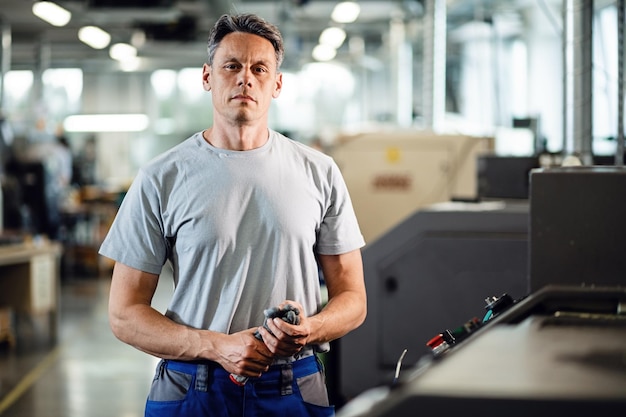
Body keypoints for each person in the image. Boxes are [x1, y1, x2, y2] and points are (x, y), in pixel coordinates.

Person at [99, 13, 367, 417]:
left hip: (293, 384)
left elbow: (353, 298)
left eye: (260, 69)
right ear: (207, 77)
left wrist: (309, 329)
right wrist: (217, 346)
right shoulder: (161, 177)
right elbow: (124, 313)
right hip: (193, 385)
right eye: (232, 66)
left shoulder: (319, 172)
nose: (246, 78)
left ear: (276, 84)